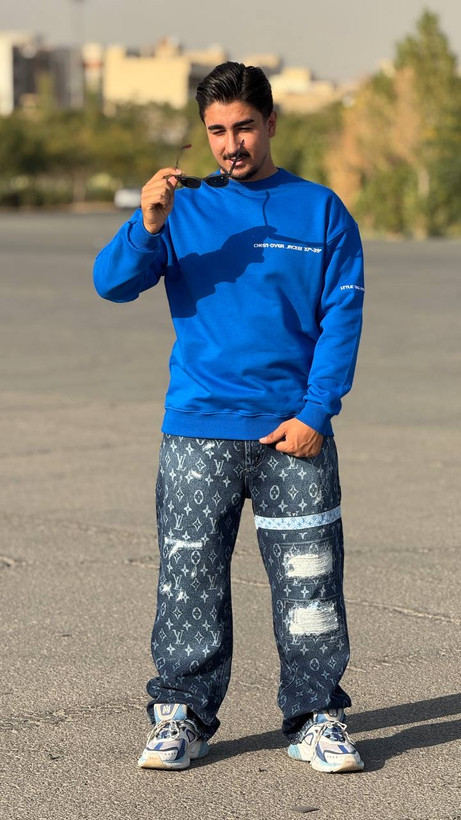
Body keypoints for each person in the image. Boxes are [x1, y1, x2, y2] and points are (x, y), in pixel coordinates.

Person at [93, 62, 365, 774]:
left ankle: (315, 717)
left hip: (293, 435)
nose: (230, 144)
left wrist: (315, 412)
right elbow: (111, 284)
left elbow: (341, 320)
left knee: (310, 584)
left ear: (270, 123)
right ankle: (181, 715)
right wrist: (148, 223)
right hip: (197, 428)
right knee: (189, 584)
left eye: (243, 127)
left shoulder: (320, 210)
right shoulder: (180, 208)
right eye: (216, 130)